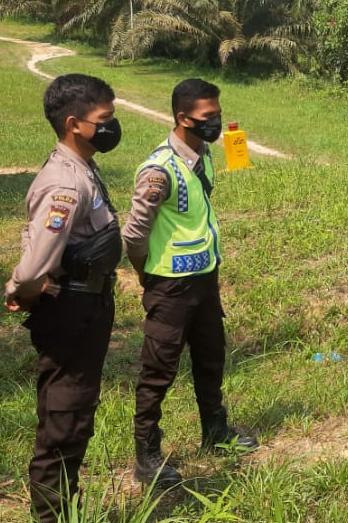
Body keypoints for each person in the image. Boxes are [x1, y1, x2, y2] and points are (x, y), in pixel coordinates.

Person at [121, 78, 257, 488]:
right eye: (207, 117)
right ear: (183, 118)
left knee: (211, 357)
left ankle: (215, 431)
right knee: (158, 370)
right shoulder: (158, 171)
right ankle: (146, 454)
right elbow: (133, 235)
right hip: (170, 285)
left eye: (216, 114)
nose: (214, 123)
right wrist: (147, 274)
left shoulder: (203, 155)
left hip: (204, 279)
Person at [4, 74, 122, 522]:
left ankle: (66, 508)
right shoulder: (65, 185)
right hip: (70, 310)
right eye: (104, 119)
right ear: (74, 123)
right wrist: (20, 290)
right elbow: (35, 268)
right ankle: (52, 515)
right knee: (63, 417)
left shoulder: (81, 167)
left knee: (76, 411)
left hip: (87, 306)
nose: (112, 126)